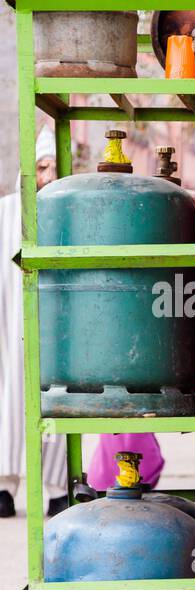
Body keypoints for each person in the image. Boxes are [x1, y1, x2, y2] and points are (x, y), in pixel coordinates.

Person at [0, 126, 67, 518]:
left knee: (55, 393)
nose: (48, 177)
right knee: (6, 394)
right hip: (8, 317)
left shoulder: (68, 209)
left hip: (55, 318)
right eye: (41, 167)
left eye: (54, 168)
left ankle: (58, 487)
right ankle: (4, 486)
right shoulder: (6, 211)